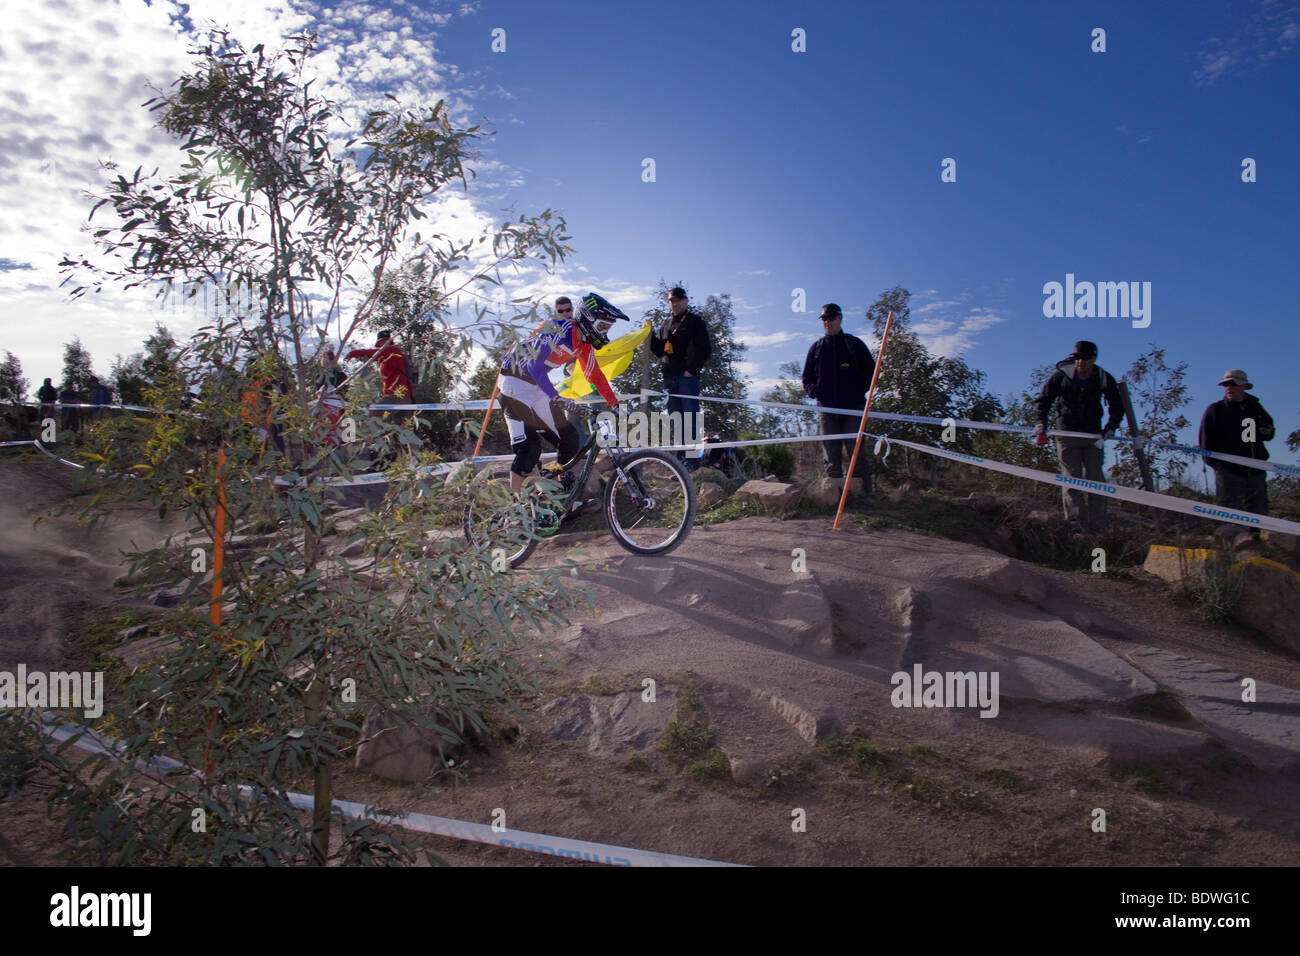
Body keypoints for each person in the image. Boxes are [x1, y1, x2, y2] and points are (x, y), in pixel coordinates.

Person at [499, 292, 625, 494]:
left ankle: (559, 494)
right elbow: (534, 365)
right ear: (588, 319)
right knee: (530, 449)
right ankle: (514, 507)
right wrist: (556, 397)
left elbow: (594, 375)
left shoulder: (583, 344)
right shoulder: (559, 327)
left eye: (607, 328)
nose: (604, 332)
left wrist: (614, 403)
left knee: (569, 439)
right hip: (515, 382)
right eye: (602, 326)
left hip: (536, 385)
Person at [1034, 340, 1124, 532]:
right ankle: (1075, 525)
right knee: (1071, 479)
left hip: (1093, 436)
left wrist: (1110, 428)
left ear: (1093, 358)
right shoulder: (1061, 376)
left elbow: (1117, 407)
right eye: (1076, 357)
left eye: (1084, 358)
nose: (1080, 362)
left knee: (1096, 480)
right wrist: (1041, 423)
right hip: (1066, 434)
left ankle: (1099, 527)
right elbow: (1044, 400)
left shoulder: (1103, 377)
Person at [801, 303, 876, 487]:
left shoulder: (854, 344)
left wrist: (858, 390)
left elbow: (871, 371)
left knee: (856, 454)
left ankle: (864, 497)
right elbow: (806, 377)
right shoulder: (817, 348)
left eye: (832, 318)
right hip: (827, 412)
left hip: (853, 409)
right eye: (825, 319)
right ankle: (834, 499)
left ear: (840, 319)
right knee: (831, 458)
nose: (828, 322)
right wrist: (814, 391)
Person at [649, 286, 711, 468]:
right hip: (669, 377)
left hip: (687, 378)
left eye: (677, 300)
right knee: (676, 419)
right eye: (671, 301)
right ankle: (681, 461)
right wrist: (649, 334)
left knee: (690, 418)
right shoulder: (667, 323)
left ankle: (692, 464)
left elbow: (705, 349)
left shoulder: (695, 321)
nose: (674, 304)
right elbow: (659, 350)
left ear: (685, 301)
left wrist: (691, 370)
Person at [1198, 368, 1275, 516]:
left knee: (1260, 513)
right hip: (1229, 472)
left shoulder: (1255, 408)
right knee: (1230, 515)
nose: (1229, 387)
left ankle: (1257, 537)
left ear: (1244, 387)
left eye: (1233, 383)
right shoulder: (1216, 410)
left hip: (1256, 471)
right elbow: (1205, 442)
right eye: (1225, 384)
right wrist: (1218, 466)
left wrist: (1267, 431)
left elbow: (1266, 431)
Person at [346, 330, 416, 464]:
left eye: (380, 344)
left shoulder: (391, 351)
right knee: (404, 430)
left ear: (385, 341)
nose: (378, 347)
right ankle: (412, 460)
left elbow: (372, 353)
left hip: (395, 396)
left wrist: (353, 353)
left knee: (372, 415)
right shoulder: (394, 354)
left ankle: (363, 451)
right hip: (406, 398)